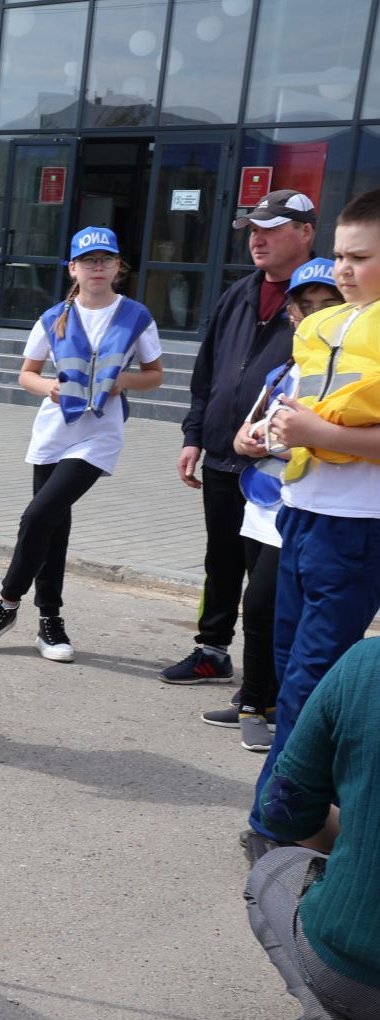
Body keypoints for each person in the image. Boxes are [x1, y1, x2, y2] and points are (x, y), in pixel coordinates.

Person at [237, 188, 380, 858]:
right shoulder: (329, 329)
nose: (345, 270)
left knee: (305, 686)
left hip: (355, 532)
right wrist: (278, 432)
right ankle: (304, 813)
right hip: (300, 518)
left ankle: (278, 824)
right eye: (341, 256)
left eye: (361, 257)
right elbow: (294, 418)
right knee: (292, 670)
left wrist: (317, 430)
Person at [0, 228, 164, 662]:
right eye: (88, 261)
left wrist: (119, 382)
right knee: (53, 525)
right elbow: (26, 374)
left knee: (37, 516)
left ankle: (5, 603)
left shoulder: (136, 316)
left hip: (99, 433)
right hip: (54, 432)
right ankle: (50, 623)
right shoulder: (54, 316)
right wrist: (47, 387)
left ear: (117, 268)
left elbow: (155, 374)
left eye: (105, 260)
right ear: (72, 268)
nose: (97, 267)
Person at [161, 189, 316, 685]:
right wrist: (193, 435)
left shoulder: (323, 300)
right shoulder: (239, 292)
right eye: (253, 230)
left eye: (270, 230)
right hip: (223, 455)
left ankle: (269, 678)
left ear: (306, 232)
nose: (258, 240)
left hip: (279, 468)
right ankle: (212, 651)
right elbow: (207, 373)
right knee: (220, 560)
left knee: (268, 582)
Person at [205, 258, 344, 752]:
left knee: (263, 605)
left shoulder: (347, 373)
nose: (312, 315)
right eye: (304, 306)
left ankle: (276, 711)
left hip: (308, 508)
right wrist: (249, 441)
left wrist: (287, 440)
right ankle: (255, 699)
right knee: (262, 609)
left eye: (327, 305)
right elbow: (248, 432)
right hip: (262, 504)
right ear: (290, 314)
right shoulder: (284, 369)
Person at [244, 637, 380, 1020]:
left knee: (269, 869)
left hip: (354, 974)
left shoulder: (365, 663)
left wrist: (356, 839)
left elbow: (285, 809)